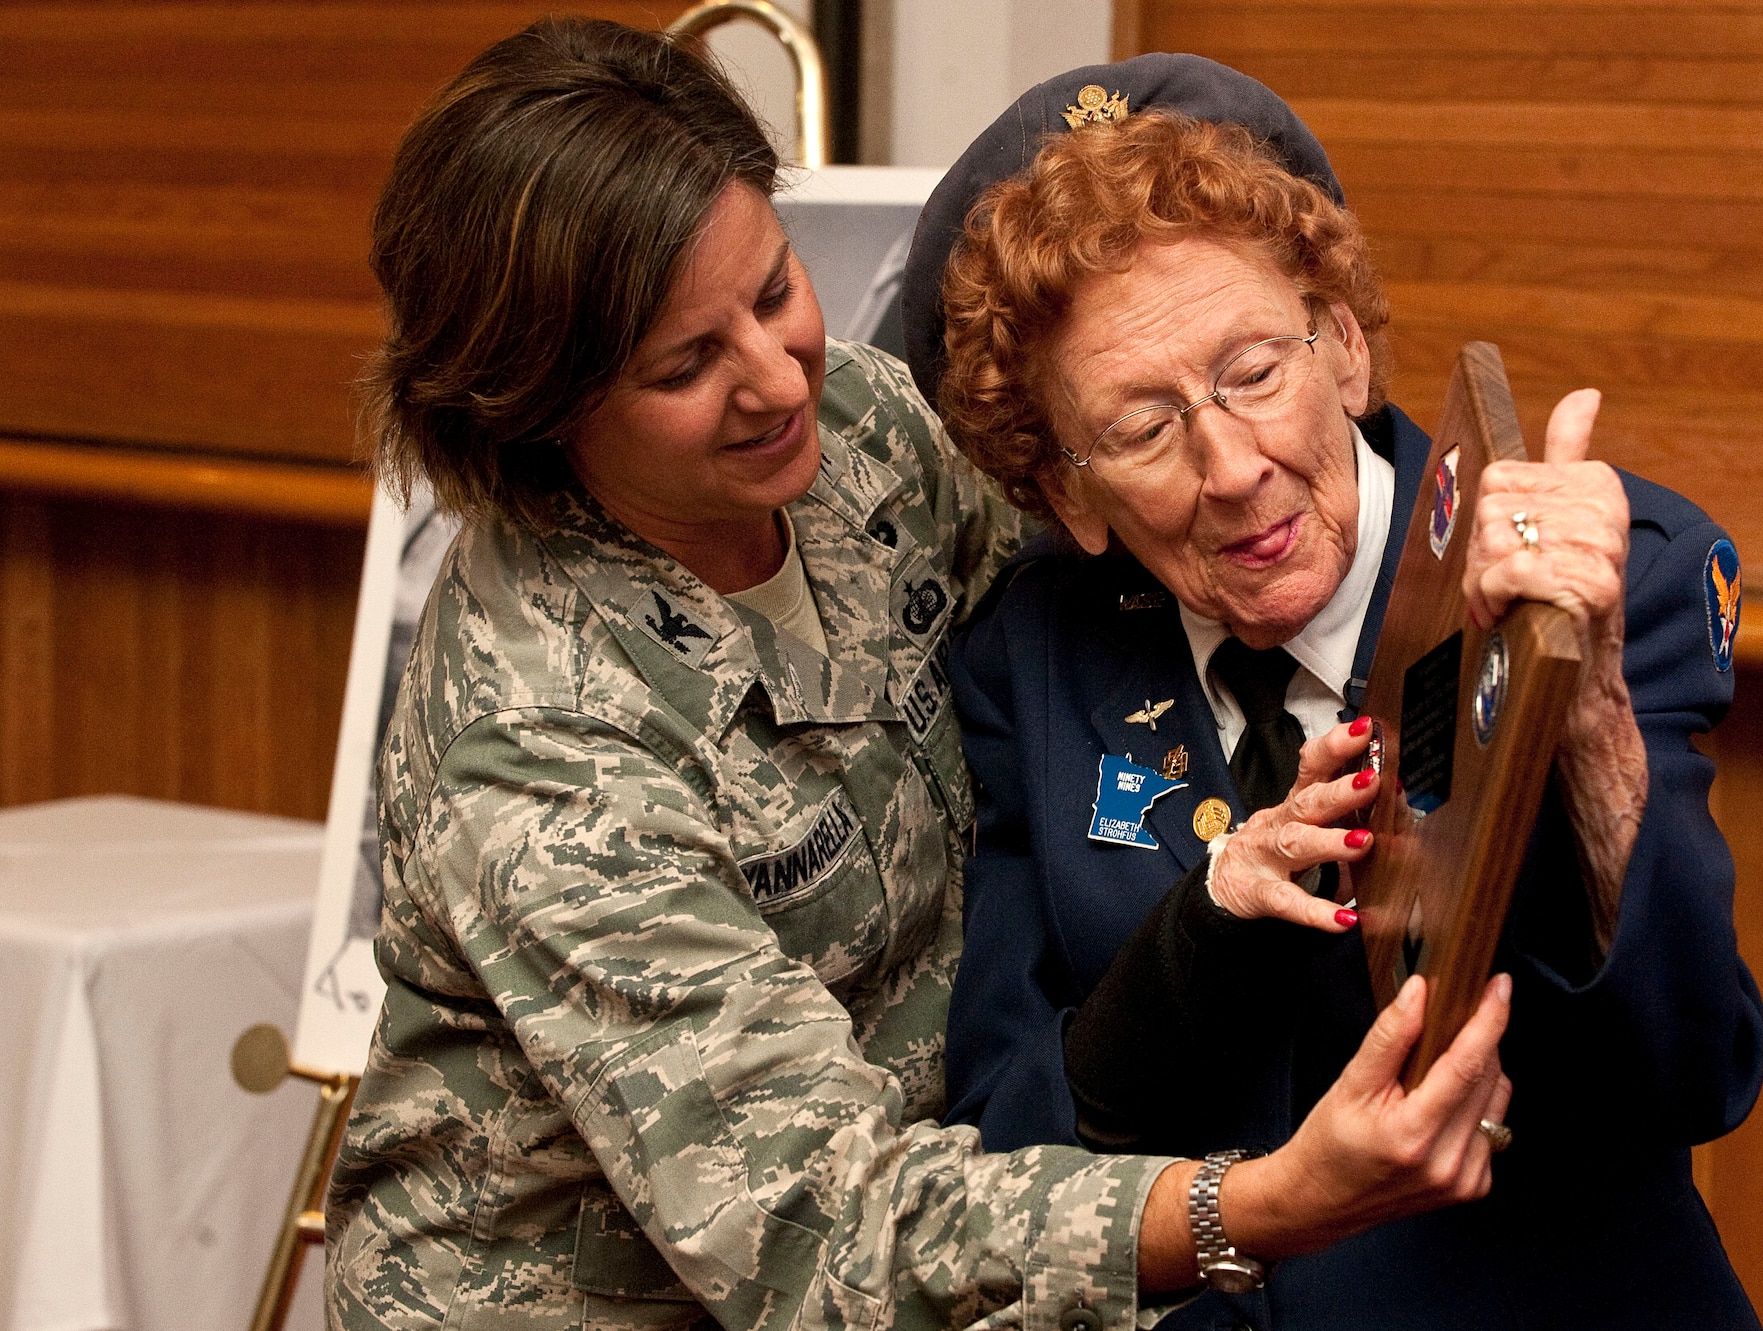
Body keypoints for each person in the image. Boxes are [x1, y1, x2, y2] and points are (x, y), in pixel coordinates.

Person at [323, 22, 1516, 1331]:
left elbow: (1115, 587)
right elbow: (820, 1230)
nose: (779, 380)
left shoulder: (867, 431)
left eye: (775, 290)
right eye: (685, 365)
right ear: (540, 410)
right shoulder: (547, 737)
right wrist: (1266, 1200)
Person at [902, 55, 1763, 1330]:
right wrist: (1199, 934)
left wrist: (1577, 726)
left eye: (1254, 369)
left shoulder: (1591, 568)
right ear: (1062, 491)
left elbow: (1691, 1068)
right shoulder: (1029, 655)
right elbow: (1008, 1126)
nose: (1233, 465)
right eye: (1141, 428)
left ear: (1345, 348)